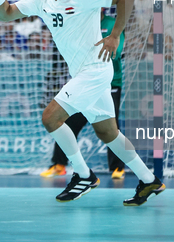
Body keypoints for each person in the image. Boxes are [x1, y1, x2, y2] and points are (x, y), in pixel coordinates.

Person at [0, 0, 165, 205]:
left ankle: (83, 175)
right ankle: (148, 180)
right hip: (82, 72)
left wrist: (114, 35)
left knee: (50, 117)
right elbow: (6, 14)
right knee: (108, 132)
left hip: (95, 70)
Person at [41, 9, 127, 179]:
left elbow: (116, 52)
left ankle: (118, 168)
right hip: (86, 84)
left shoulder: (111, 25)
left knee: (112, 128)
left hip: (109, 84)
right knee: (68, 122)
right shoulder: (83, 24)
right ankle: (59, 164)